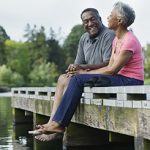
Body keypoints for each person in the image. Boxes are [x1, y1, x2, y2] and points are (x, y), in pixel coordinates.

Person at [31, 1, 145, 140]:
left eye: (111, 15)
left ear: (119, 20)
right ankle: (55, 123)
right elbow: (109, 67)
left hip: (130, 81)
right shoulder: (117, 40)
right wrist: (83, 72)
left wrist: (83, 74)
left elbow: (111, 70)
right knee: (76, 78)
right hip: (119, 78)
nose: (108, 17)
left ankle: (59, 125)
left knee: (78, 79)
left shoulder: (129, 41)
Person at [33, 8, 115, 142]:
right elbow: (79, 63)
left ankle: (56, 126)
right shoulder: (84, 38)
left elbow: (108, 63)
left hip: (103, 76)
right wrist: (74, 68)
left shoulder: (109, 34)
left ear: (99, 19)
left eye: (92, 19)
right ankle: (53, 123)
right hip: (87, 76)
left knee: (70, 80)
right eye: (85, 21)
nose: (89, 23)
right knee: (63, 78)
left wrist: (82, 68)